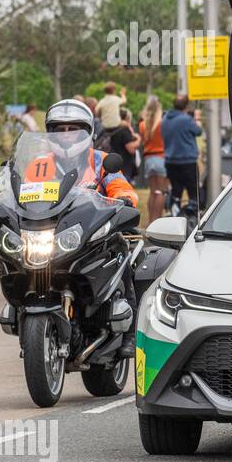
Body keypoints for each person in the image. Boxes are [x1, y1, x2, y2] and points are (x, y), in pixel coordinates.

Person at [39, 99, 139, 356]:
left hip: (95, 234)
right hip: (53, 233)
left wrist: (124, 199)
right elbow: (21, 194)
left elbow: (122, 188)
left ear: (87, 131)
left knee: (122, 255)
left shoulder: (102, 161)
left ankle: (130, 333)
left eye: (73, 129)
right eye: (59, 130)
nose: (66, 136)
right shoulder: (40, 165)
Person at [162, 95, 203, 216]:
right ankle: (193, 215)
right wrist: (197, 118)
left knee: (176, 191)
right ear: (186, 106)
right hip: (187, 161)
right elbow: (198, 131)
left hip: (170, 161)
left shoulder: (165, 119)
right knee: (193, 191)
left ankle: (175, 213)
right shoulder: (186, 119)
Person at [140, 95, 168, 221]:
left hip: (148, 159)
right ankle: (158, 220)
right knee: (161, 192)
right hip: (161, 158)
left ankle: (151, 221)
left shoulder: (142, 125)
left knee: (153, 192)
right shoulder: (162, 124)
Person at [109, 107, 141, 183]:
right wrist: (139, 139)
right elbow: (131, 149)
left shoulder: (112, 128)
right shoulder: (124, 130)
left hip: (114, 164)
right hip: (125, 166)